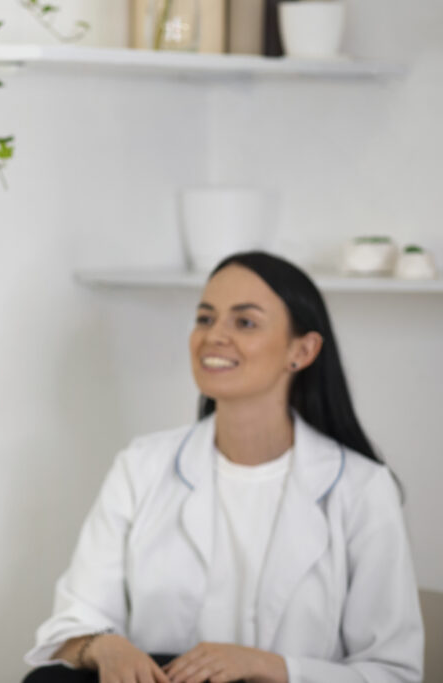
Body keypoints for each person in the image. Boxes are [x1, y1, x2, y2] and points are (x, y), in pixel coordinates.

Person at [23, 252, 424, 683]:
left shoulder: (362, 489)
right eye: (205, 318)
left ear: (302, 350)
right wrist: (103, 647)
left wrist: (269, 666)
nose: (215, 335)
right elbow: (73, 619)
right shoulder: (141, 466)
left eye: (244, 322)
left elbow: (393, 673)